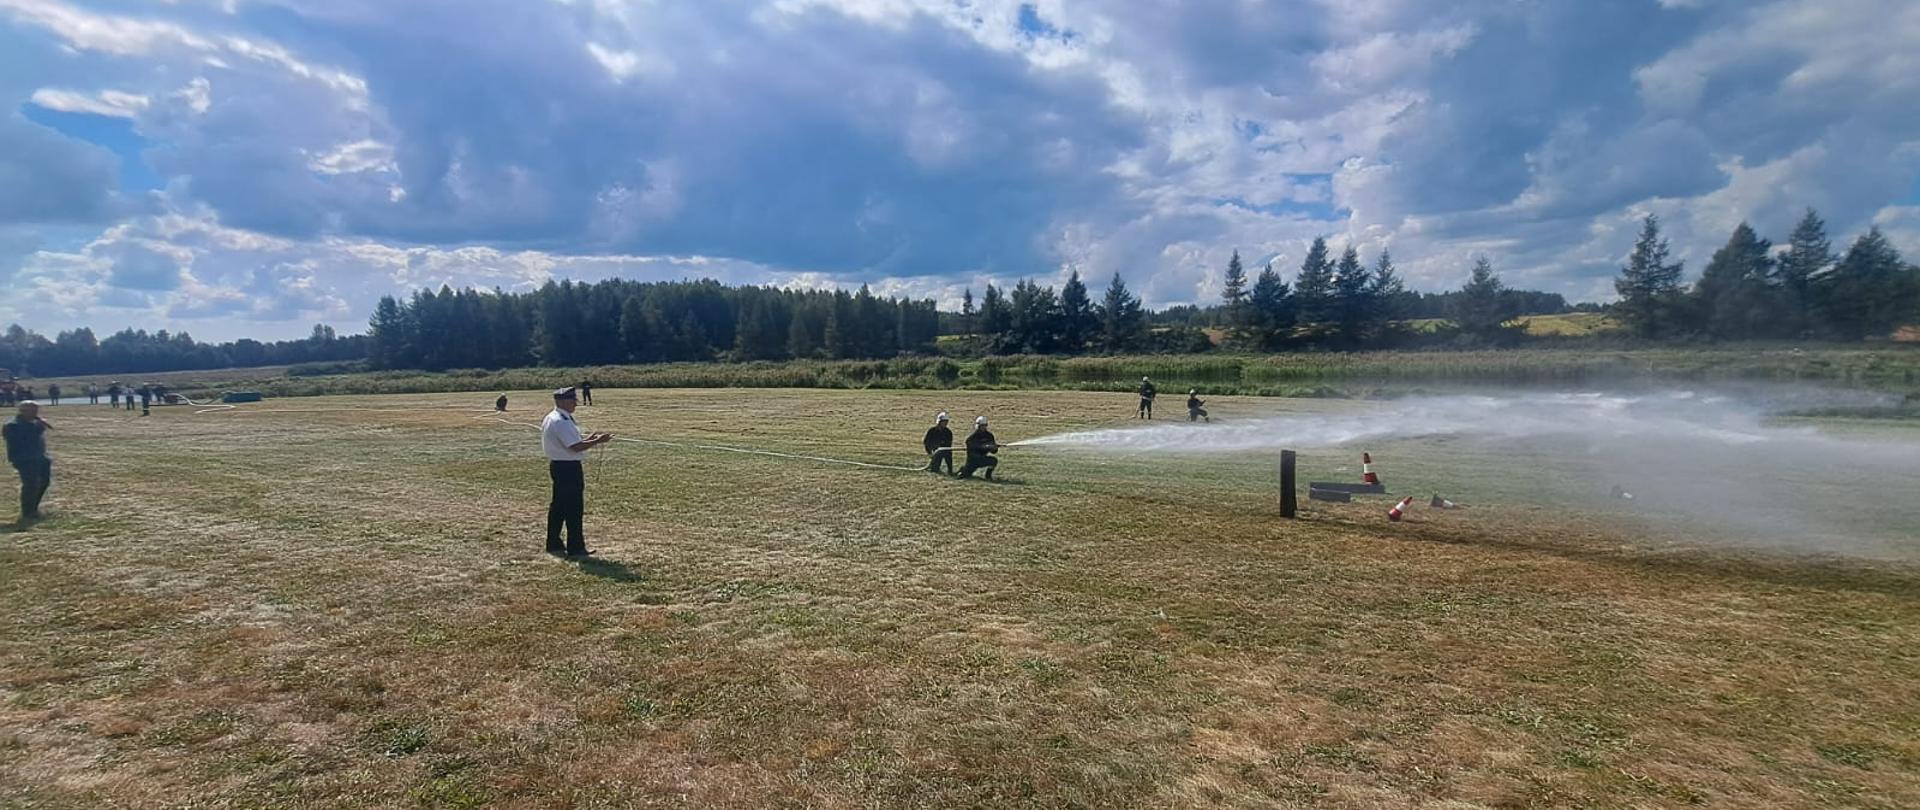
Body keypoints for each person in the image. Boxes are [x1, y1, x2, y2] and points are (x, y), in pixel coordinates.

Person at [542, 386, 612, 557]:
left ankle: (554, 543)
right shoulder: (561, 421)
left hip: (559, 466)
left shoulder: (555, 417)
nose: (575, 403)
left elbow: (572, 442)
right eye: (572, 400)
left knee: (558, 507)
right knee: (573, 508)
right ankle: (576, 547)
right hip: (568, 469)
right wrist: (597, 441)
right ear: (562, 401)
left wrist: (590, 439)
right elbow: (575, 447)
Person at [4, 400, 53, 525]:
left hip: (41, 458)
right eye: (33, 410)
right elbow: (20, 440)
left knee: (44, 482)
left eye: (36, 410)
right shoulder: (12, 425)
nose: (36, 413)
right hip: (25, 460)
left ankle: (34, 508)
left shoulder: (36, 423)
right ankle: (27, 512)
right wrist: (36, 425)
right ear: (23, 411)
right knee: (31, 484)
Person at [957, 416, 999, 481]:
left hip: (982, 459)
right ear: (978, 426)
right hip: (972, 461)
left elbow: (994, 451)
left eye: (985, 425)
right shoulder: (972, 437)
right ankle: (963, 470)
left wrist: (993, 448)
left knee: (994, 461)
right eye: (982, 426)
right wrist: (984, 446)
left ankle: (988, 476)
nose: (984, 427)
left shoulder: (989, 436)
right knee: (963, 476)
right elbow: (971, 447)